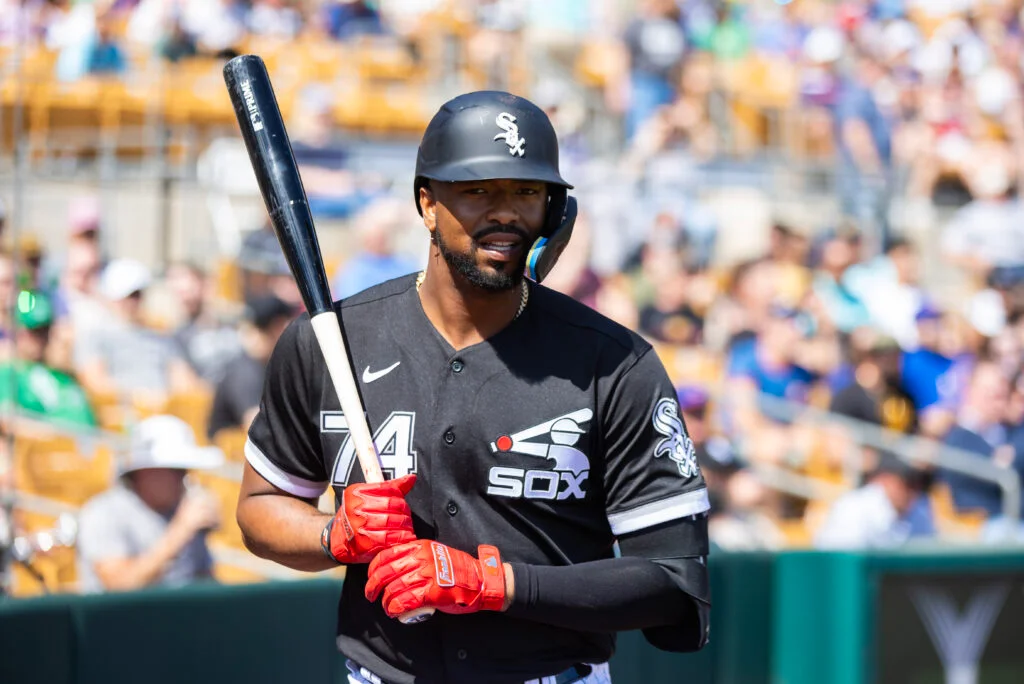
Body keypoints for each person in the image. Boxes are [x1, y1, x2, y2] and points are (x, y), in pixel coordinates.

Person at [237, 91, 710, 684]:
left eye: (526, 192)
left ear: (554, 211)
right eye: (479, 190)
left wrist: (495, 584)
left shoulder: (614, 363)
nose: (506, 212)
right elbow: (260, 509)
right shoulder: (329, 340)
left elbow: (670, 581)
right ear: (427, 203)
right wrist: (335, 534)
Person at [76, 415, 223, 593]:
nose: (184, 479)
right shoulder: (103, 512)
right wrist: (179, 532)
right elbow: (118, 587)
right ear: (145, 472)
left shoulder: (181, 511)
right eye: (177, 471)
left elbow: (205, 581)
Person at [0, 290, 96, 428]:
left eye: (45, 330)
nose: (41, 339)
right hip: (49, 446)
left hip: (92, 445)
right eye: (34, 331)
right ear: (18, 332)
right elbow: (10, 424)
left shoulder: (63, 375)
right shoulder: (9, 374)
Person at [207, 294, 295, 440]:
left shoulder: (270, 363)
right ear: (277, 327)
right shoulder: (245, 370)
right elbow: (257, 426)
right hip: (232, 457)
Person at [813, 450, 934, 550]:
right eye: (909, 483)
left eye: (919, 485)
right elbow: (843, 560)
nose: (914, 491)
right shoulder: (855, 507)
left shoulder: (919, 509)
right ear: (884, 480)